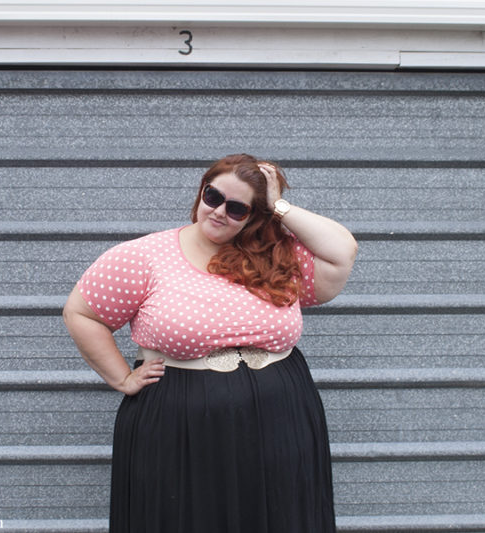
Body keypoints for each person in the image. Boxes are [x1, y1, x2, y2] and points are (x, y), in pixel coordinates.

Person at [63, 154, 358, 533]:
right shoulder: (146, 256)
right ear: (201, 190)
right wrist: (121, 378)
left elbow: (342, 251)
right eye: (213, 196)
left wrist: (278, 206)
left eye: (238, 208)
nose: (219, 211)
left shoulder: (279, 256)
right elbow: (82, 314)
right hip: (180, 427)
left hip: (282, 418)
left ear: (258, 216)